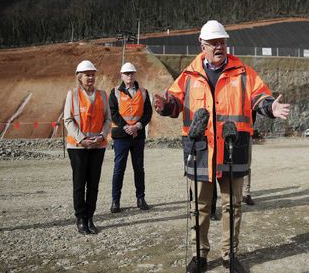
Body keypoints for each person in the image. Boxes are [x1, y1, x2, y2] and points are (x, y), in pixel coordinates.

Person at [154, 20, 290, 273]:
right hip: (200, 151)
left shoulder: (244, 72)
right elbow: (174, 102)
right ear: (202, 45)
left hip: (232, 149)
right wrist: (165, 106)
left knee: (232, 206)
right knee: (200, 207)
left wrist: (269, 107)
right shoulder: (189, 75)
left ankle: (230, 255)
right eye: (214, 43)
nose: (219, 47)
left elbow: (260, 97)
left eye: (222, 42)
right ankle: (200, 256)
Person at [64, 60, 111, 235]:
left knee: (93, 183)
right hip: (77, 147)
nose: (90, 77)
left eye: (92, 74)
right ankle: (80, 218)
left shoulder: (103, 95)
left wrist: (101, 136)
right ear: (79, 77)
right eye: (87, 75)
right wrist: (82, 139)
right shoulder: (73, 95)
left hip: (98, 146)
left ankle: (90, 217)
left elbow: (107, 119)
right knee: (79, 183)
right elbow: (68, 119)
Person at [109, 62, 153, 213]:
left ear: (135, 75)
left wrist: (137, 126)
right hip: (121, 136)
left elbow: (148, 112)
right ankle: (115, 201)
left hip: (138, 135)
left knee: (139, 168)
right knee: (118, 169)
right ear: (121, 76)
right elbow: (113, 113)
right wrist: (127, 127)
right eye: (126, 73)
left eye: (131, 73)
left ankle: (140, 198)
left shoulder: (143, 91)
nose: (129, 76)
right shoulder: (114, 92)